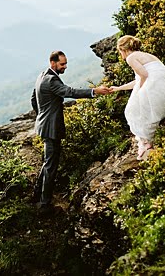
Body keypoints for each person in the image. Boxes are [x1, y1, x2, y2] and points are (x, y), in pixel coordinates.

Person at [31, 50, 114, 209]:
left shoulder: (41, 76)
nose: (65, 67)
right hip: (51, 129)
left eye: (66, 63)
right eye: (62, 64)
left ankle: (37, 195)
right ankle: (44, 204)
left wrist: (42, 115)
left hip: (44, 126)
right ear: (53, 63)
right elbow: (70, 92)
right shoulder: (51, 80)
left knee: (48, 162)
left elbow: (34, 99)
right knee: (51, 166)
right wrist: (94, 91)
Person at [110, 35, 165, 160]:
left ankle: (146, 143)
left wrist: (140, 92)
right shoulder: (145, 55)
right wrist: (119, 88)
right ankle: (147, 141)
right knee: (143, 111)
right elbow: (140, 78)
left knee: (132, 110)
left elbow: (144, 75)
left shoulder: (131, 57)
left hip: (156, 83)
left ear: (122, 49)